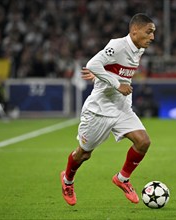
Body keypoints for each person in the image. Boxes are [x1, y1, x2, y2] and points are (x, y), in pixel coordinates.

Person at [60, 13, 156, 206]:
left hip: (121, 107)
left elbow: (110, 70)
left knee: (143, 142)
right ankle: (67, 180)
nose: (152, 37)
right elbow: (93, 64)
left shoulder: (139, 49)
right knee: (84, 154)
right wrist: (115, 83)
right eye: (149, 32)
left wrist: (102, 77)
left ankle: (122, 179)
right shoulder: (118, 45)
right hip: (99, 109)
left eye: (153, 33)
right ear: (134, 31)